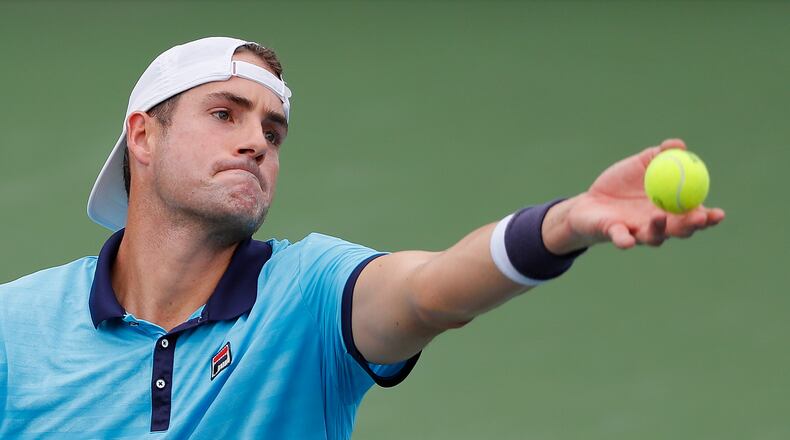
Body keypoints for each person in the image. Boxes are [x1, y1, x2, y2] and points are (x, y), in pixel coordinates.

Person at [0, 36, 725, 439]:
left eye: (272, 130)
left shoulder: (309, 295)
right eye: (225, 114)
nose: (256, 142)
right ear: (143, 136)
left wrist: (564, 225)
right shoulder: (15, 327)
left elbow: (428, 293)